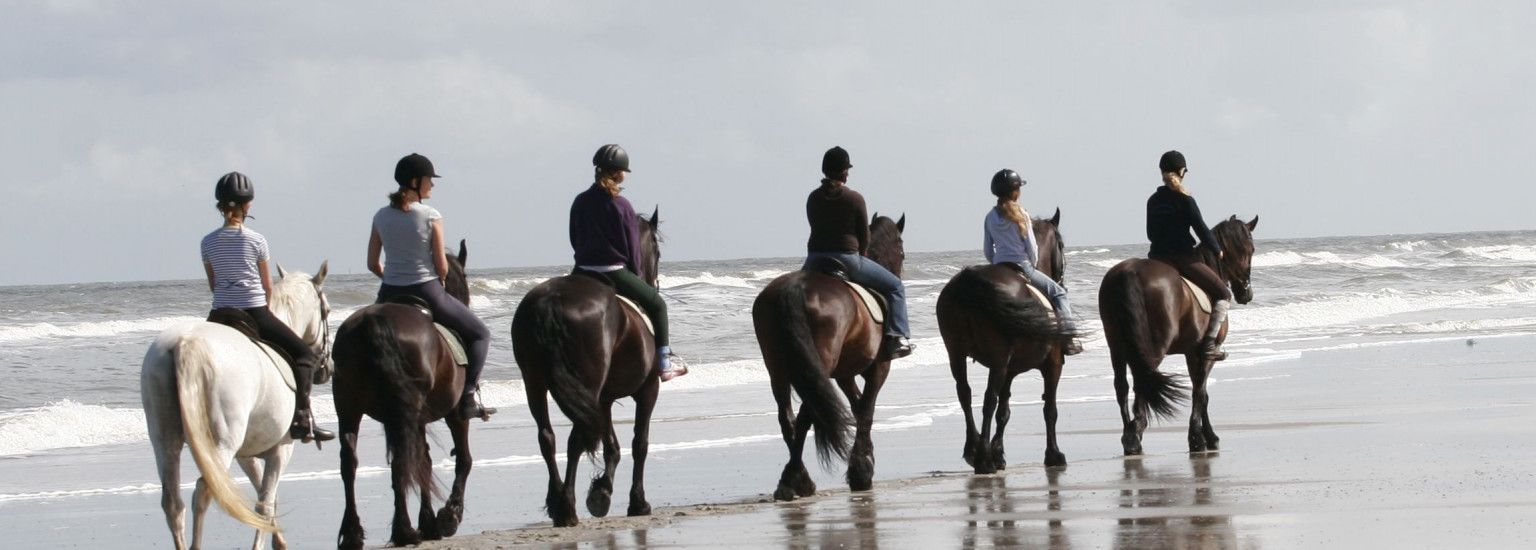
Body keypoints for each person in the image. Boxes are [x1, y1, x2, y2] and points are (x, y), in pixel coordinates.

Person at [201, 171, 335, 442]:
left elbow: (214, 285)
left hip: (218, 315)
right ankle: (302, 419)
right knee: (304, 356)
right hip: (254, 312)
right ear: (247, 205)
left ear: (220, 205)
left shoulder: (207, 242)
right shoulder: (256, 240)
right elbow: (267, 287)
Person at [368, 153, 496, 419]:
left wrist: (390, 277)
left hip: (389, 292)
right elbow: (442, 265)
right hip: (427, 290)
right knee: (481, 333)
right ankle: (468, 397)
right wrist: (439, 280)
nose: (432, 185)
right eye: (429, 180)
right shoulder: (430, 215)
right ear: (415, 182)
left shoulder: (380, 215)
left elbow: (372, 263)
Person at [569, 144, 688, 381]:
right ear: (619, 173)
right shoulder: (621, 205)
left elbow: (574, 238)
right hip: (612, 272)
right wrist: (636, 273)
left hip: (581, 271)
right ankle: (664, 364)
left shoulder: (580, 201)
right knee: (658, 305)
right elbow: (633, 248)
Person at [804, 146, 913, 360]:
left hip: (814, 260)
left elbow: (813, 226)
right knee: (896, 287)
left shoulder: (813, 198)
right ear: (844, 172)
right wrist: (862, 254)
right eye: (847, 169)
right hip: (847, 259)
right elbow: (864, 235)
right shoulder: (854, 198)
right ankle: (897, 337)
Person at [982, 169, 1083, 355]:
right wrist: (1033, 266)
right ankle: (1069, 338)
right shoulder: (1021, 214)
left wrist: (996, 263)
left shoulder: (989, 217)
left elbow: (988, 251)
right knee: (1059, 293)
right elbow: (1033, 248)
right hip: (1022, 266)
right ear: (1015, 191)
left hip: (999, 266)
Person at [1146, 150, 1233, 361]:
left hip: (1156, 258)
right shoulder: (1185, 199)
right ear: (1182, 171)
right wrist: (1217, 250)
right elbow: (1201, 229)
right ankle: (1210, 344)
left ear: (1161, 171)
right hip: (1182, 258)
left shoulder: (1153, 200)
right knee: (1223, 294)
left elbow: (1150, 233)